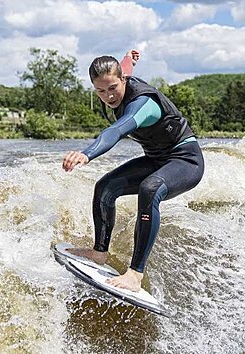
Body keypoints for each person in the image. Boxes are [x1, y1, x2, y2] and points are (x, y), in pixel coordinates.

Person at [61, 50, 204, 292]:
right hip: (156, 159)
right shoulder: (119, 77)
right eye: (101, 91)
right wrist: (129, 58)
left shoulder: (142, 104)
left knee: (149, 189)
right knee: (106, 187)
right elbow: (124, 68)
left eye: (113, 88)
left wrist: (87, 153)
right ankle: (99, 254)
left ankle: (135, 274)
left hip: (185, 160)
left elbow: (116, 131)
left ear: (123, 81)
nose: (109, 95)